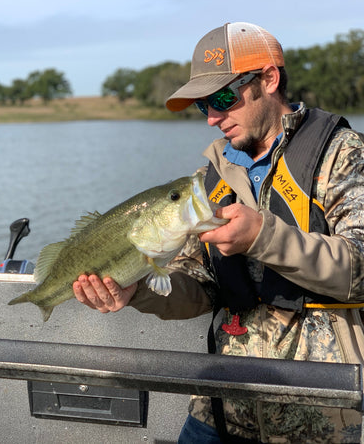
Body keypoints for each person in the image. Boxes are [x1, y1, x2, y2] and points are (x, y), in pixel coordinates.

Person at [72, 22, 364, 443]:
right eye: (201, 106)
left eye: (222, 98)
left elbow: (360, 268)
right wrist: (137, 291)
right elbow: (199, 288)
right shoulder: (206, 183)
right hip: (221, 407)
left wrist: (264, 238)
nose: (211, 117)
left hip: (322, 414)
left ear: (268, 79)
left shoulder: (344, 156)